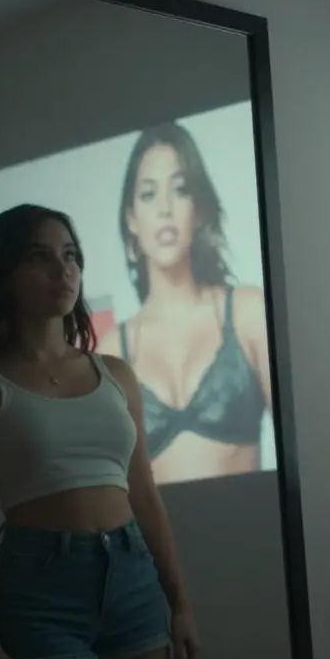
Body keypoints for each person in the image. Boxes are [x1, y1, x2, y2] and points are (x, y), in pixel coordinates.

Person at [0, 204, 201, 659]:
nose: (63, 270)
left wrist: (181, 604)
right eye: (40, 257)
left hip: (132, 577)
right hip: (39, 588)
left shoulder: (116, 375)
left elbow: (144, 496)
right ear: (4, 275)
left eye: (71, 255)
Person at [105, 122, 275, 485]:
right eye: (148, 194)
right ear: (131, 218)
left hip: (254, 533)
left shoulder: (248, 314)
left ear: (198, 210)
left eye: (180, 190)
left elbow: (306, 449)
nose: (165, 208)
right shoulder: (110, 355)